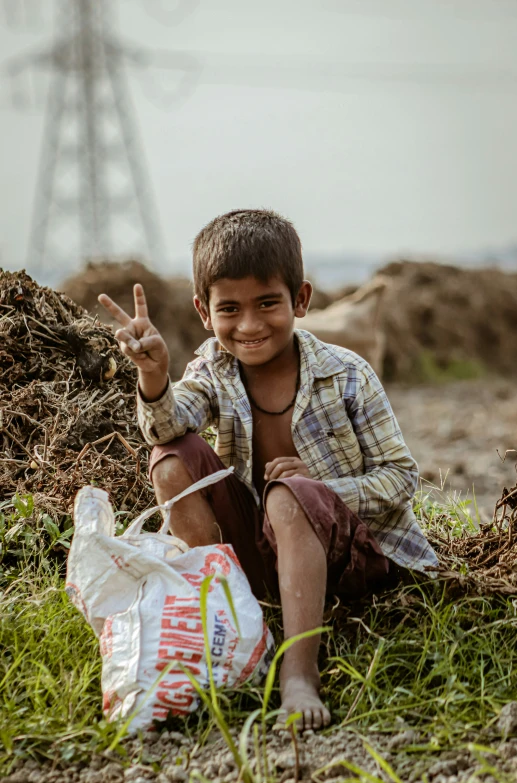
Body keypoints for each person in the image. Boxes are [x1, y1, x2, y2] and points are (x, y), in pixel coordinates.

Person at [99, 209, 438, 731]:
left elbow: (400, 477)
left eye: (267, 304)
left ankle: (298, 675)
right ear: (204, 313)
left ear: (300, 300)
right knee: (170, 461)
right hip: (261, 551)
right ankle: (233, 614)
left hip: (348, 557)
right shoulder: (211, 368)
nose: (250, 325)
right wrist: (154, 375)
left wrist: (320, 487)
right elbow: (168, 426)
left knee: (286, 494)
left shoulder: (347, 375)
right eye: (230, 308)